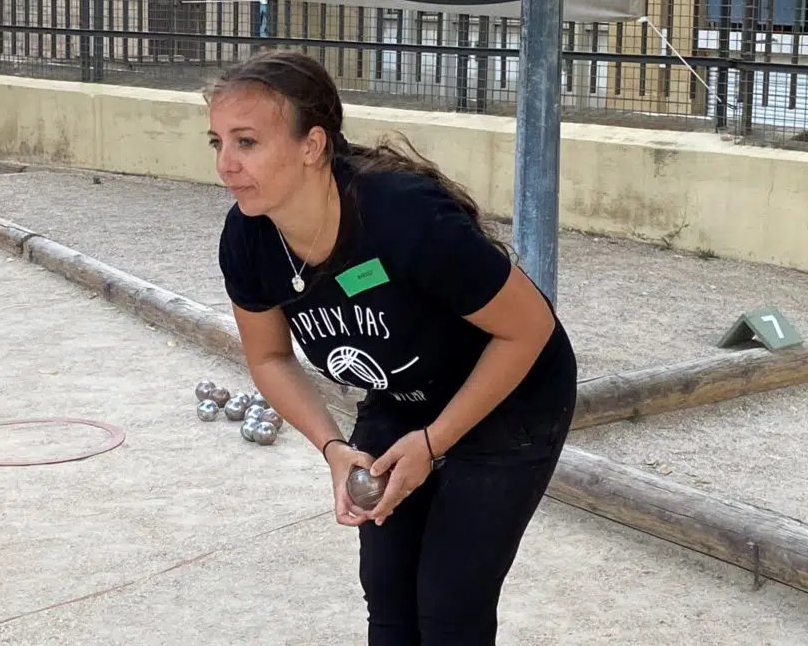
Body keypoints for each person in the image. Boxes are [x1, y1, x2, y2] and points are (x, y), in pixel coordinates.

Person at [207, 49, 578, 646]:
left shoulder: (401, 215)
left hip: (510, 394)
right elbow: (269, 358)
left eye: (246, 141)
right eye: (217, 142)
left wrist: (433, 444)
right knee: (389, 594)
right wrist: (332, 447)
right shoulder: (248, 236)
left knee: (450, 604)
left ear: (312, 145)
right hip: (401, 396)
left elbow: (529, 327)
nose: (227, 164)